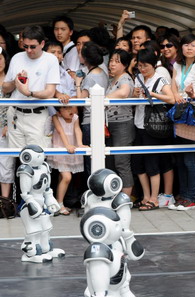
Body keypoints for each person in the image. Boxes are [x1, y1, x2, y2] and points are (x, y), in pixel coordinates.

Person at [3, 25, 60, 149]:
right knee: (18, 156)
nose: (28, 50)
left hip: (38, 115)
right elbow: (5, 88)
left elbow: (50, 92)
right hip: (15, 114)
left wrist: (29, 93)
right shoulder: (16, 58)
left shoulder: (51, 60)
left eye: (32, 47)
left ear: (42, 43)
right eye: (25, 46)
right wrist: (15, 82)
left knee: (37, 157)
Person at [133, 48, 176, 210]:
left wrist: (152, 94)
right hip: (139, 125)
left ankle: (154, 199)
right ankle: (145, 196)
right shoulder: (138, 78)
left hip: (153, 127)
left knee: (152, 164)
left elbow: (171, 98)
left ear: (153, 65)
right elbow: (135, 100)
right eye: (140, 66)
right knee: (138, 164)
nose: (142, 69)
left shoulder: (160, 79)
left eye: (146, 66)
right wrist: (135, 93)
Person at [170, 33, 195, 211]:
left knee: (189, 158)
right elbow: (173, 84)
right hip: (179, 112)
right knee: (180, 157)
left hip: (191, 113)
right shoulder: (176, 64)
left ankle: (190, 197)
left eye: (193, 45)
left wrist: (191, 93)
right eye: (186, 45)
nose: (189, 48)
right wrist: (177, 94)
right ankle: (183, 195)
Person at [75, 41, 109, 176]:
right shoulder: (102, 73)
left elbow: (81, 101)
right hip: (103, 120)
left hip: (90, 121)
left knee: (91, 160)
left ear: (85, 58)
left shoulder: (90, 77)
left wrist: (78, 84)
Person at [105, 49, 135, 197]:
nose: (112, 64)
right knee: (112, 162)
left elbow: (123, 93)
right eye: (111, 60)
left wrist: (104, 99)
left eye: (117, 61)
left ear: (124, 64)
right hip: (111, 124)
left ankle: (125, 198)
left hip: (123, 124)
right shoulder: (112, 80)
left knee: (122, 162)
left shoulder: (125, 78)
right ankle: (115, 195)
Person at [47, 106, 85, 215]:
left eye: (70, 108)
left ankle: (59, 203)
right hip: (61, 149)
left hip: (71, 149)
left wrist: (80, 144)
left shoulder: (75, 117)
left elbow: (77, 130)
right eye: (66, 109)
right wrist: (67, 145)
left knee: (62, 177)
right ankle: (59, 204)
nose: (70, 110)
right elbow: (60, 131)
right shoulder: (56, 117)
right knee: (67, 177)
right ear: (59, 112)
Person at [0, 47, 13, 199]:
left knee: (6, 164)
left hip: (5, 127)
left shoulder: (11, 82)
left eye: (0, 58)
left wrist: (8, 125)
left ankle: (5, 202)